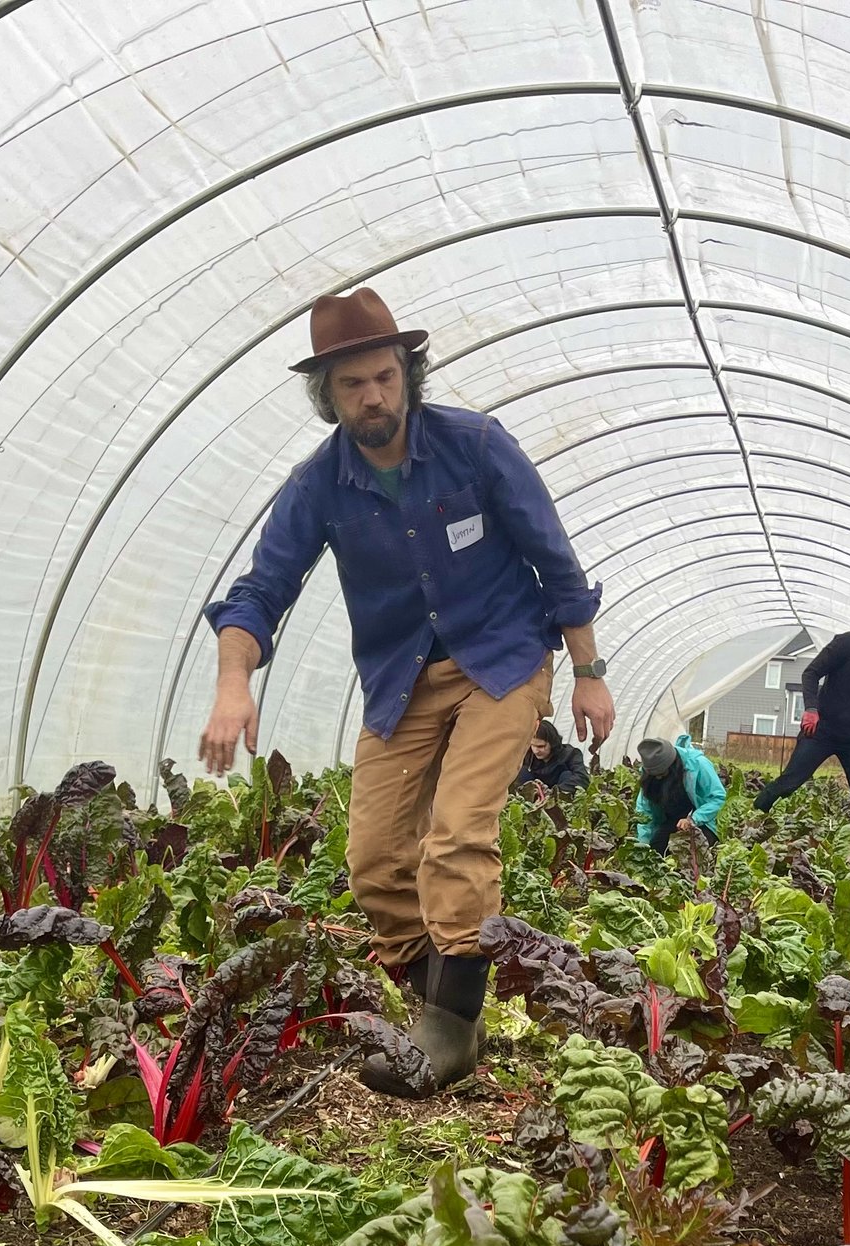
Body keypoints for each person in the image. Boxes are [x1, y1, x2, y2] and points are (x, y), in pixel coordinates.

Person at [198, 288, 614, 1093]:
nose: (373, 397)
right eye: (352, 385)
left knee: (458, 832)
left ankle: (450, 1033)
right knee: (375, 860)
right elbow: (259, 592)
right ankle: (449, 1003)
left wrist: (589, 672)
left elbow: (555, 560)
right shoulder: (318, 486)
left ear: (408, 374)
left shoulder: (477, 446)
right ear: (330, 397)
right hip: (401, 680)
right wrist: (230, 682)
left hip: (504, 658)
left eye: (385, 377)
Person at [753, 599, 850, 815]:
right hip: (822, 731)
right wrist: (810, 709)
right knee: (788, 783)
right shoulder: (849, 644)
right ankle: (754, 815)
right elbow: (811, 673)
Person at [633, 735, 724, 855]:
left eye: (662, 773)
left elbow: (718, 798)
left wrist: (693, 819)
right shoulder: (650, 779)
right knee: (656, 851)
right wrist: (643, 845)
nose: (658, 777)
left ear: (672, 765)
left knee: (693, 852)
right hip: (672, 822)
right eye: (654, 775)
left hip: (704, 822)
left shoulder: (698, 764)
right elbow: (645, 814)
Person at [512, 718, 588, 795]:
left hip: (560, 796)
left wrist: (553, 793)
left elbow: (582, 777)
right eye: (532, 745)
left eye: (541, 746)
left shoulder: (571, 754)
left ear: (552, 743)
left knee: (567, 775)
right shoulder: (528, 754)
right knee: (522, 771)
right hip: (534, 795)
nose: (535, 751)